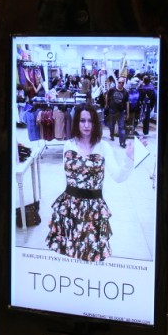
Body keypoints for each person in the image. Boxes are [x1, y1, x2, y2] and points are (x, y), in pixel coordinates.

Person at [45, 102, 134, 262]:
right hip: (70, 208)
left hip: (93, 210)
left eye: (90, 121)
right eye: (82, 120)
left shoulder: (103, 147)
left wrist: (129, 158)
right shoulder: (68, 145)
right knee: (69, 254)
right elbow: (66, 178)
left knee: (91, 257)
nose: (86, 125)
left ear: (96, 123)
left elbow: (118, 176)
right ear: (76, 122)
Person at [106, 76, 131, 147]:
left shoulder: (125, 92)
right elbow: (107, 95)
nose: (121, 84)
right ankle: (112, 135)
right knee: (111, 125)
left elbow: (127, 103)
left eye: (122, 83)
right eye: (120, 82)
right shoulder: (112, 90)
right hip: (112, 110)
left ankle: (122, 142)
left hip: (121, 112)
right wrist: (107, 105)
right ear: (117, 82)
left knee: (122, 127)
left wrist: (128, 113)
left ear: (124, 83)